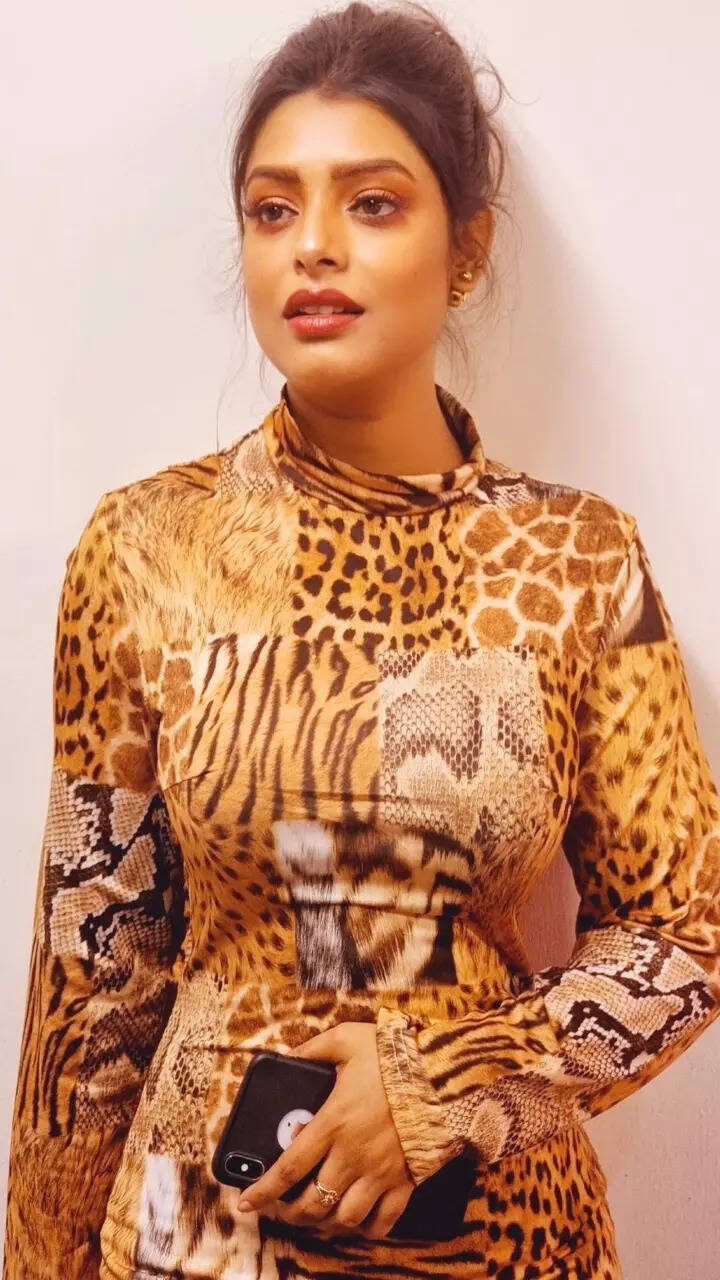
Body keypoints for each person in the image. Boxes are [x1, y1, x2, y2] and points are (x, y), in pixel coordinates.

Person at [4, 2, 720, 1277]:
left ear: (466, 245)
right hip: (194, 1242)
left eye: (372, 203)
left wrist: (453, 1080)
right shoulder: (147, 549)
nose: (313, 245)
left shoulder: (578, 561)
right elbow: (91, 981)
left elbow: (685, 931)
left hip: (500, 1237)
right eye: (272, 208)